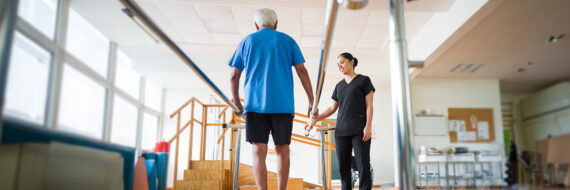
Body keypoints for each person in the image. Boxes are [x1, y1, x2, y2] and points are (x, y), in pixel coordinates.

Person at [229, 8, 315, 190]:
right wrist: (311, 100)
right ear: (276, 24)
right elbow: (302, 71)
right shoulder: (288, 40)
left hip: (254, 105)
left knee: (258, 150)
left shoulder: (247, 41)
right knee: (282, 150)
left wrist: (236, 103)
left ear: (255, 25)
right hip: (282, 105)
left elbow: (234, 76)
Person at [306, 52, 375, 190]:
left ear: (352, 61)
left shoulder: (364, 81)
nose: (340, 66)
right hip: (342, 131)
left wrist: (368, 126)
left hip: (359, 129)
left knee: (363, 165)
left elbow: (369, 106)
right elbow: (332, 108)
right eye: (338, 64)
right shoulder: (339, 86)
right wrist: (314, 120)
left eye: (342, 62)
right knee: (344, 168)